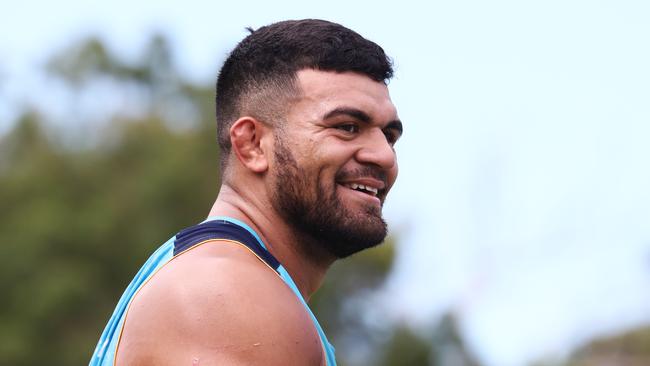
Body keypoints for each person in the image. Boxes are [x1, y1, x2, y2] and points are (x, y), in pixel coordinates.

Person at [90, 18, 402, 366]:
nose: (384, 156)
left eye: (388, 135)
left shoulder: (227, 281)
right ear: (252, 144)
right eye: (347, 127)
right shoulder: (226, 294)